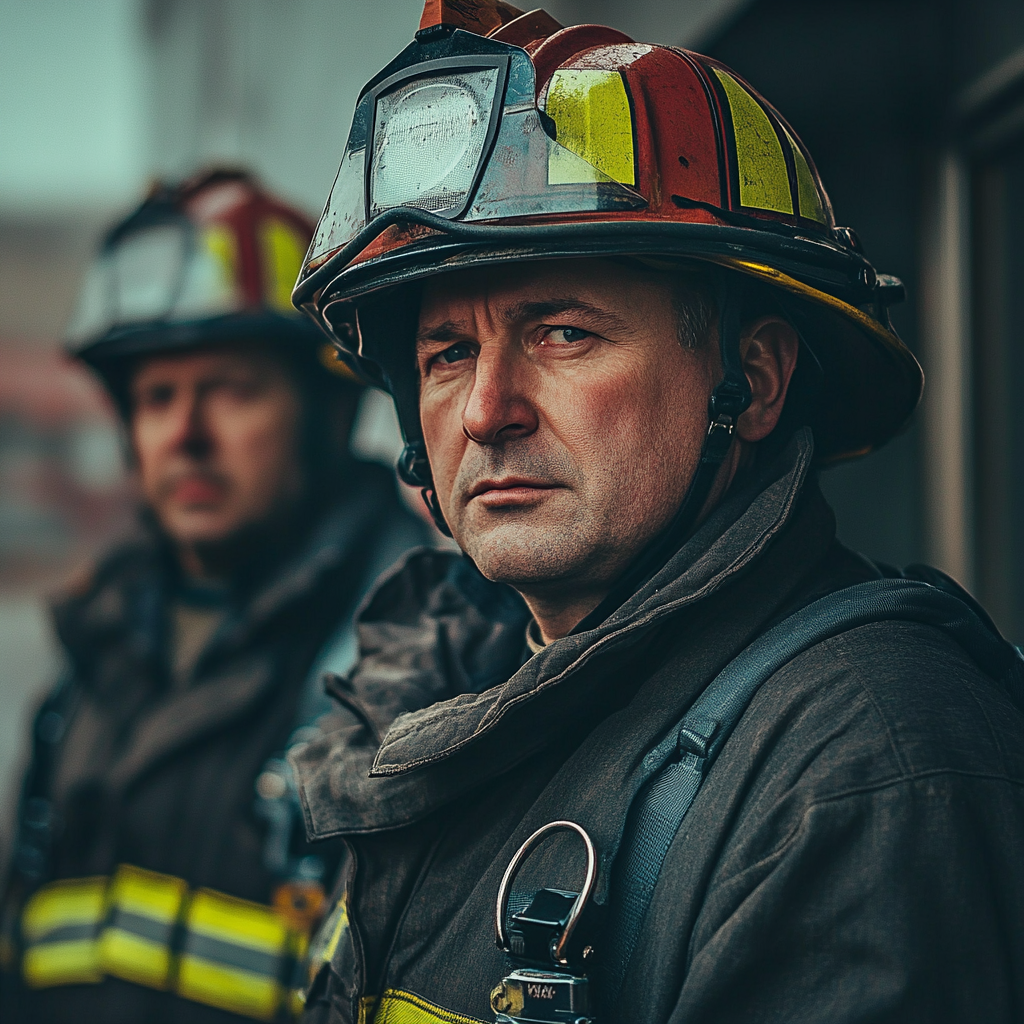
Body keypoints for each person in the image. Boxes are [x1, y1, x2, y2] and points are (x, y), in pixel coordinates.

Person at [287, 3, 1024, 1022]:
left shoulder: (863, 764)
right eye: (447, 352)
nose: (487, 410)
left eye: (563, 332)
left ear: (754, 381)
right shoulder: (462, 694)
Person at [0, 168, 433, 1024]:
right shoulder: (96, 653)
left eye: (231, 390)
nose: (187, 435)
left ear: (324, 412)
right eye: (157, 397)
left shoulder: (421, 648)